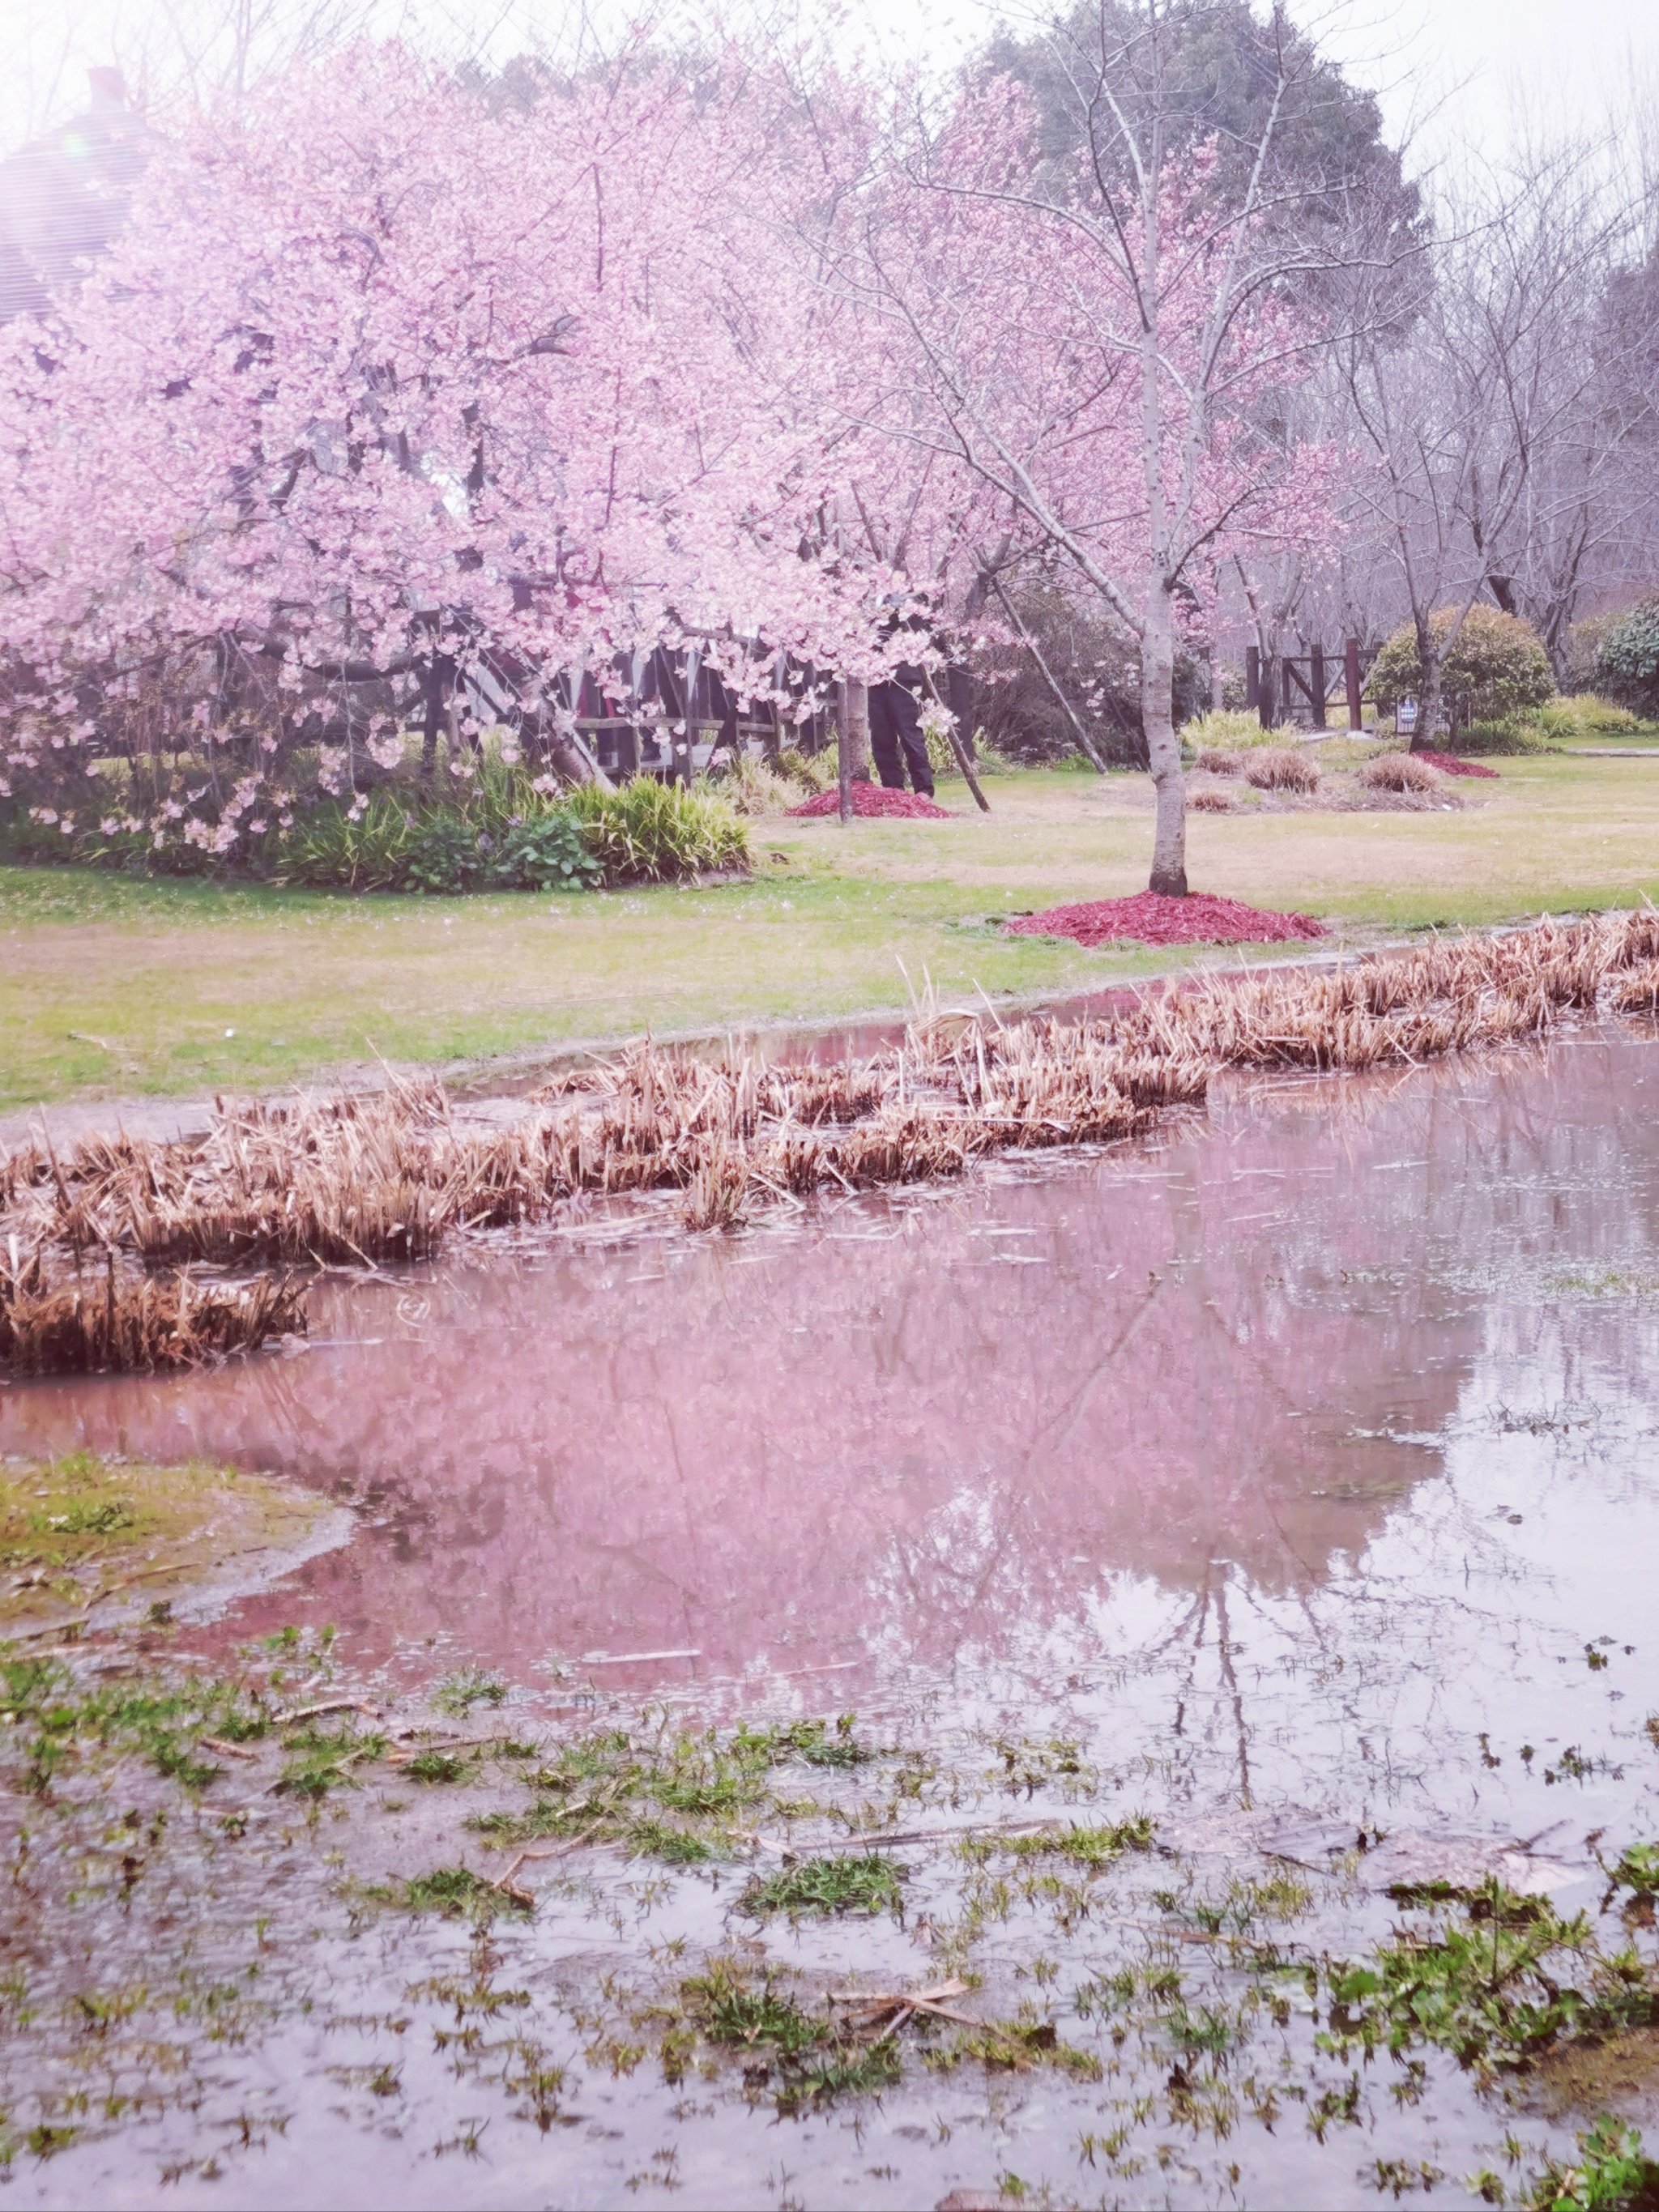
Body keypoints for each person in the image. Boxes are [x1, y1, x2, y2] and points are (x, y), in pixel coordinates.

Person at [868, 650, 935, 799]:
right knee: (881, 738)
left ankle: (923, 788)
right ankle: (893, 788)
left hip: (905, 678)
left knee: (910, 735)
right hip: (875, 679)